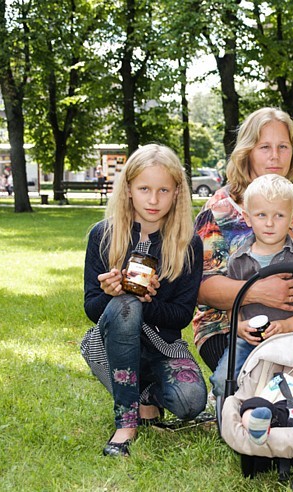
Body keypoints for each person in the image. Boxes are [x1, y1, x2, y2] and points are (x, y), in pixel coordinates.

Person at [193, 107, 293, 396]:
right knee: (245, 380)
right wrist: (258, 291)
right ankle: (260, 404)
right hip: (233, 324)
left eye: (283, 147)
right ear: (247, 152)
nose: (275, 156)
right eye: (264, 147)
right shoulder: (219, 209)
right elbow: (203, 288)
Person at [82, 144, 207, 457]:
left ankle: (147, 398)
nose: (153, 200)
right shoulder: (103, 235)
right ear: (128, 190)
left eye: (163, 190)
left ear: (177, 192)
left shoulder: (188, 243)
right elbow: (91, 307)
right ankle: (126, 423)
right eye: (144, 189)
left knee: (191, 402)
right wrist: (113, 295)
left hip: (161, 347)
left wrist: (148, 301)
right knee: (126, 306)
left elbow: (180, 316)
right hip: (110, 348)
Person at [219, 174, 293, 390]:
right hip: (251, 341)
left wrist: (289, 325)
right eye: (261, 215)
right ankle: (232, 409)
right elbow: (233, 303)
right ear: (247, 217)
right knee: (223, 381)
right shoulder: (238, 260)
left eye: (279, 215)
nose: (269, 223)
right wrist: (238, 326)